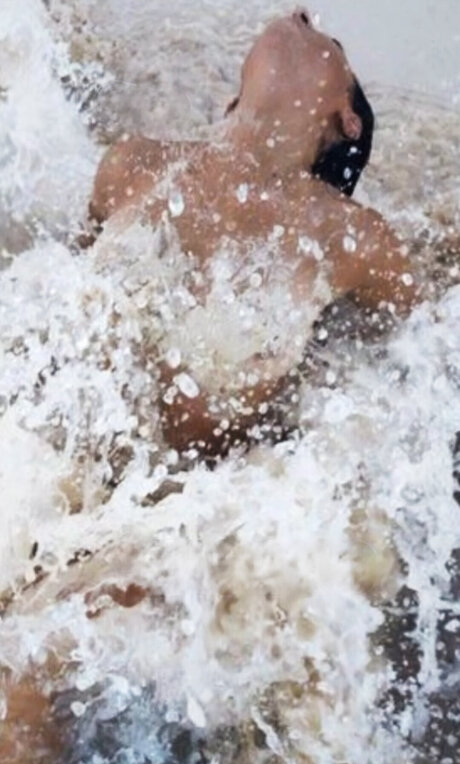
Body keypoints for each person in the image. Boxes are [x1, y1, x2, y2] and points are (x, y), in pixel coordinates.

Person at [89, 9, 416, 457]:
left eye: (331, 44)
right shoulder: (129, 163)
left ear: (346, 119)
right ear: (233, 103)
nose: (302, 13)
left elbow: (426, 341)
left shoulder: (351, 236)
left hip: (230, 485)